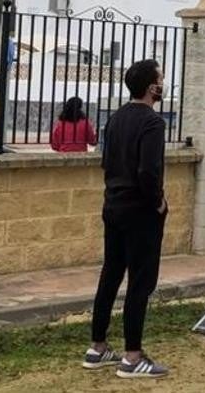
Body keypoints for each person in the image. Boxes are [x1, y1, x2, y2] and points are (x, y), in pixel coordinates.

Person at [83, 59, 170, 378]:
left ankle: (98, 347)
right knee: (140, 282)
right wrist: (158, 203)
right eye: (160, 79)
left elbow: (107, 162)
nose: (163, 83)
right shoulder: (153, 123)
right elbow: (148, 171)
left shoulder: (116, 118)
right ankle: (133, 358)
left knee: (111, 274)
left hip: (113, 207)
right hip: (141, 212)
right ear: (151, 87)